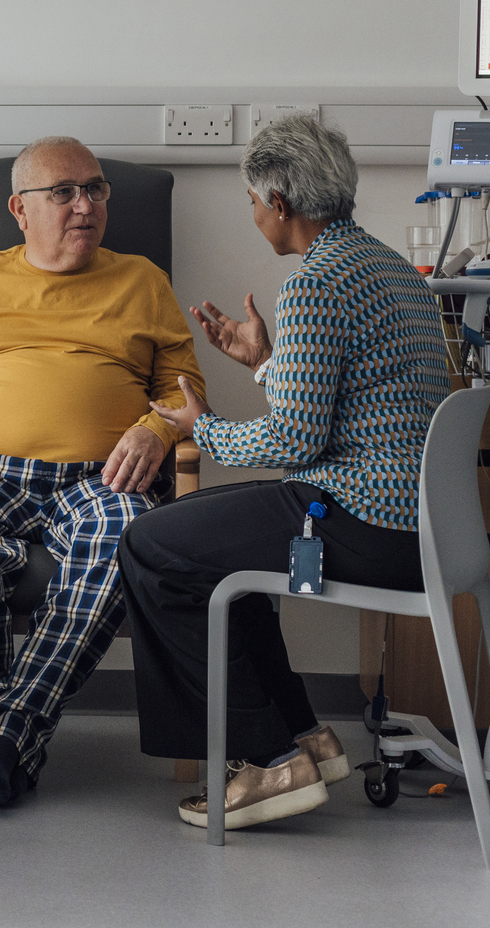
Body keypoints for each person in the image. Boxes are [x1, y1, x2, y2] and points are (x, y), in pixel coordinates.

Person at [127, 113, 449, 831]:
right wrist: (266, 362)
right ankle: (306, 740)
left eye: (250, 200)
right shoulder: (394, 270)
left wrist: (198, 427)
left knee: (153, 545)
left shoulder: (314, 284)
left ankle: (267, 760)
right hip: (416, 529)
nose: (251, 215)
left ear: (280, 202)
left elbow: (298, 440)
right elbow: (347, 411)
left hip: (362, 522)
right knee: (207, 552)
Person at [0, 136, 205, 807]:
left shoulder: (142, 280)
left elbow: (185, 390)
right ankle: (5, 735)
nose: (85, 205)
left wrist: (154, 428)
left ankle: (0, 733)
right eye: (64, 192)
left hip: (100, 475)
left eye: (96, 189)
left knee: (129, 533)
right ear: (19, 210)